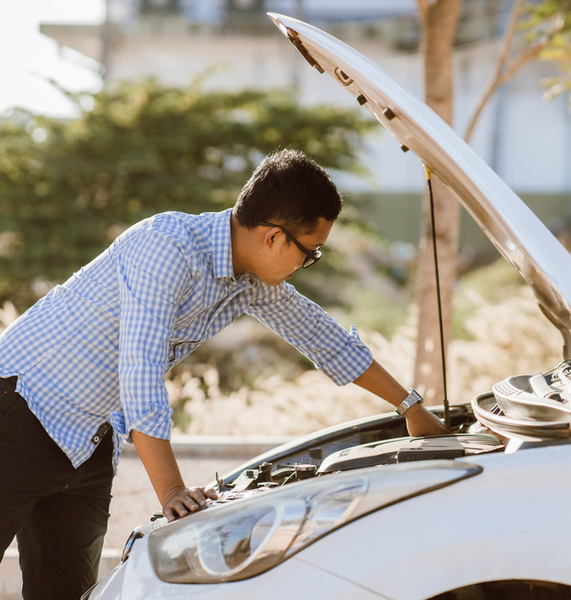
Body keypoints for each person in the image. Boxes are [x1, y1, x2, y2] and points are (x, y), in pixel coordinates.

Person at [0, 148, 445, 599]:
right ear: (274, 237)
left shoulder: (248, 280)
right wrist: (172, 490)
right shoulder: (165, 246)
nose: (308, 262)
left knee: (65, 593)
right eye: (311, 253)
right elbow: (140, 369)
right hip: (18, 410)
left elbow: (324, 338)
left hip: (89, 441)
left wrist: (410, 406)